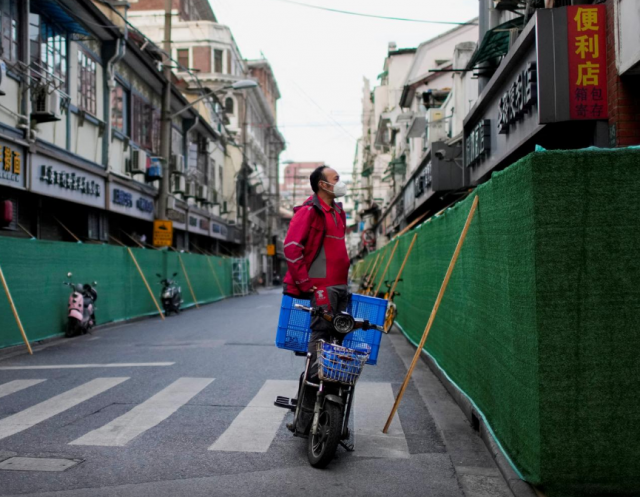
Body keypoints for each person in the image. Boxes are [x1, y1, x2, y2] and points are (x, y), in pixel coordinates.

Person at [283, 165, 350, 380]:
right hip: (322, 286)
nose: (340, 183)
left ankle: (330, 385)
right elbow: (292, 247)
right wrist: (303, 282)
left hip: (341, 286)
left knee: (338, 335)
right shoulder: (309, 211)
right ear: (323, 184)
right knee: (321, 334)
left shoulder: (339, 212)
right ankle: (312, 392)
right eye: (336, 178)